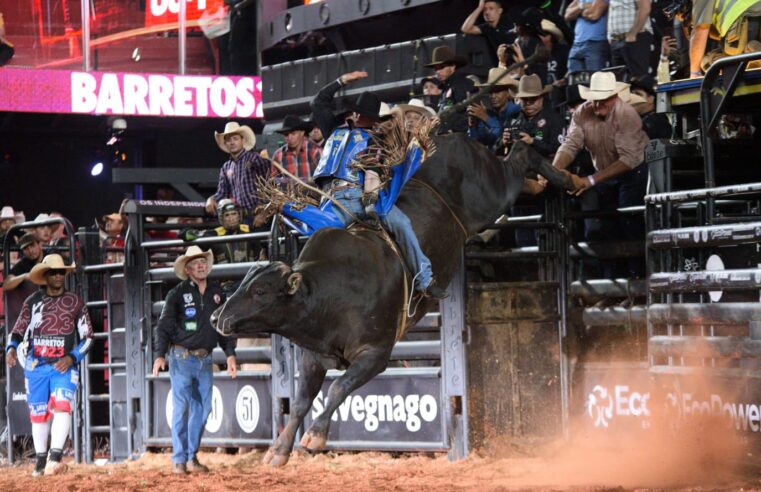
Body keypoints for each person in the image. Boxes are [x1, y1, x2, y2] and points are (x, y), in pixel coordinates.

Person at [310, 72, 448, 299]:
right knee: (402, 223)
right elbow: (317, 103)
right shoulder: (350, 132)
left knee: (310, 231)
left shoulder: (344, 132)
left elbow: (317, 103)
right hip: (346, 200)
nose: (373, 122)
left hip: (333, 202)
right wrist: (341, 81)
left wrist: (342, 82)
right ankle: (424, 279)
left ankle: (423, 279)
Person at [551, 71, 650, 278]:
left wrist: (590, 180)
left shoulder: (627, 115)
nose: (597, 105)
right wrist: (553, 170)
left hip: (633, 173)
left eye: (603, 100)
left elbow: (629, 159)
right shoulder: (582, 113)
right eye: (594, 100)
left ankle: (638, 280)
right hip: (606, 173)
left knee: (629, 221)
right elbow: (570, 144)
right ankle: (613, 284)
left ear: (614, 97)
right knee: (606, 227)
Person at [5, 254, 93, 476]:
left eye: (61, 272)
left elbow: (88, 336)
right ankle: (41, 460)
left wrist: (72, 357)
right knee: (39, 413)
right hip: (36, 365)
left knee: (63, 405)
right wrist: (11, 348)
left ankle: (55, 457)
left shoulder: (75, 302)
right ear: (45, 275)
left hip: (63, 366)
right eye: (53, 272)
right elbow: (17, 330)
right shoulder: (32, 302)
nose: (57, 276)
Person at [152, 245, 237, 475]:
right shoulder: (177, 294)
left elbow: (224, 327)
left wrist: (230, 354)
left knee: (204, 408)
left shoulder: (217, 293)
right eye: (196, 263)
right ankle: (181, 458)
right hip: (182, 357)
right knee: (182, 408)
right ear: (188, 269)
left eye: (203, 261)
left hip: (205, 359)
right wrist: (160, 355)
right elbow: (164, 327)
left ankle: (190, 456)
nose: (201, 265)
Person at [205, 122, 271, 226]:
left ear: (242, 140)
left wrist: (264, 213)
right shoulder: (226, 167)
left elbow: (269, 186)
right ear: (226, 144)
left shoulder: (254, 158)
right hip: (241, 218)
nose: (232, 142)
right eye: (229, 140)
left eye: (235, 138)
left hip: (260, 214)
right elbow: (222, 193)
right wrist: (211, 199)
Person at [501, 74, 565, 158]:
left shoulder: (554, 120)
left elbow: (560, 150)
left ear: (541, 98)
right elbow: (496, 151)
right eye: (524, 99)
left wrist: (532, 142)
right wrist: (504, 143)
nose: (528, 103)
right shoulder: (512, 119)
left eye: (533, 99)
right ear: (519, 99)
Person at [423, 46, 475, 133]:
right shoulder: (446, 87)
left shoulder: (461, 85)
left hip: (461, 139)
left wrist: (449, 128)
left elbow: (468, 115)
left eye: (441, 67)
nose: (438, 72)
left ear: (453, 66)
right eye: (436, 68)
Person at [467, 67, 521, 149]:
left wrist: (486, 118)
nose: (493, 96)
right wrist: (473, 125)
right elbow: (477, 142)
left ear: (508, 93)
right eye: (490, 92)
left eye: (497, 91)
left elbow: (502, 137)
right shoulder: (488, 114)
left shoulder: (517, 112)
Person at [607, 0, 655, 79]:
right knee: (619, 81)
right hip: (616, 40)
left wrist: (633, 33)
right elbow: (612, 9)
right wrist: (609, 35)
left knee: (638, 79)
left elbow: (645, 8)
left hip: (636, 38)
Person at [461, 0, 515, 65]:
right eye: (484, 10)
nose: (487, 12)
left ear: (499, 11)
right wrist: (479, 8)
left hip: (521, 62)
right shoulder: (487, 27)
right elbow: (465, 29)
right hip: (504, 66)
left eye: (491, 9)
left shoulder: (509, 21)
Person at [272, 114, 322, 183]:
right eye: (286, 135)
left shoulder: (315, 151)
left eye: (293, 134)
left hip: (313, 193)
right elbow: (274, 181)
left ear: (302, 133)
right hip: (288, 193)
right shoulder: (278, 155)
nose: (289, 138)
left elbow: (325, 179)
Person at [565, 0, 611, 72]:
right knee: (574, 79)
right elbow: (567, 15)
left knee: (595, 78)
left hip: (595, 42)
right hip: (577, 43)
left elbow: (594, 15)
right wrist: (583, 6)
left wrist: (578, 10)